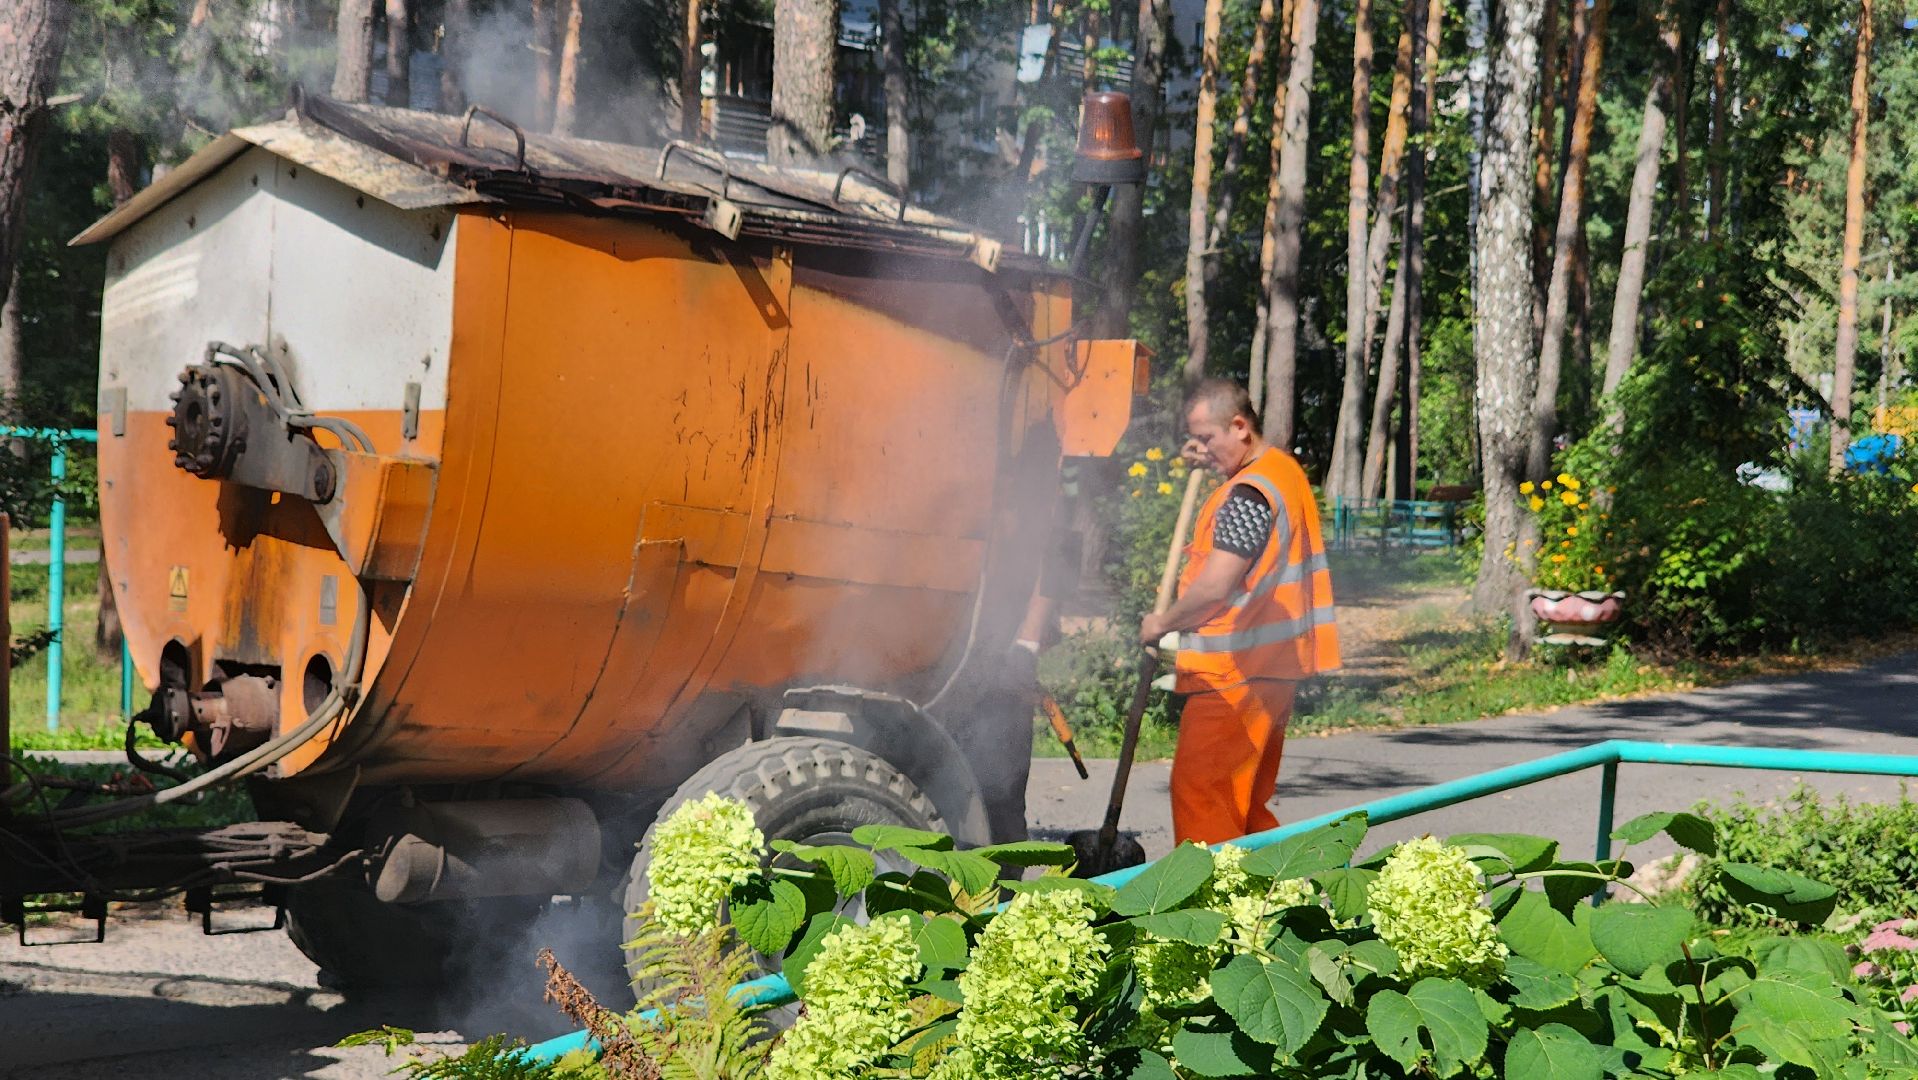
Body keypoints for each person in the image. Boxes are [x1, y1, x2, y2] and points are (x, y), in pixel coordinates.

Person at [1139, 378, 1340, 844]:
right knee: (1243, 806)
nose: (1202, 449)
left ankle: (1213, 910)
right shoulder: (1281, 472)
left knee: (1203, 796)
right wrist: (1211, 462)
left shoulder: (1248, 495)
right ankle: (1281, 900)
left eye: (1208, 439)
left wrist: (1162, 623)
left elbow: (1216, 587)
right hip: (1270, 670)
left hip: (1233, 677)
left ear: (1239, 426)